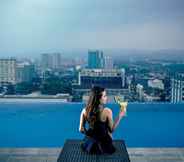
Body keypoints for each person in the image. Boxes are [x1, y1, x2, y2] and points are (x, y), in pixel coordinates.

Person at [79, 86, 126, 154]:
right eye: (104, 96)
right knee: (107, 131)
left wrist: (91, 136)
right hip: (104, 146)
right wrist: (120, 116)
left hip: (89, 145)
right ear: (98, 99)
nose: (106, 98)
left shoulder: (84, 110)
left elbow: (81, 129)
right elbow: (111, 130)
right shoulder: (107, 111)